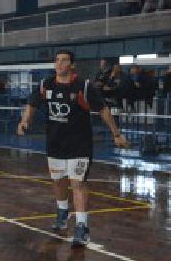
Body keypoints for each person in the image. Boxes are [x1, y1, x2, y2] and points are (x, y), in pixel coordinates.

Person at [17, 50, 129, 246]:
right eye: (57, 60)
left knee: (78, 183)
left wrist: (116, 133)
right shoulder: (45, 85)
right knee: (59, 181)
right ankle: (62, 212)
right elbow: (32, 104)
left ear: (72, 65)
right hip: (55, 143)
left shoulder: (84, 86)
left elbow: (103, 109)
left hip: (79, 144)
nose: (60, 64)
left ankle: (82, 227)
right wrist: (24, 121)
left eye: (64, 60)